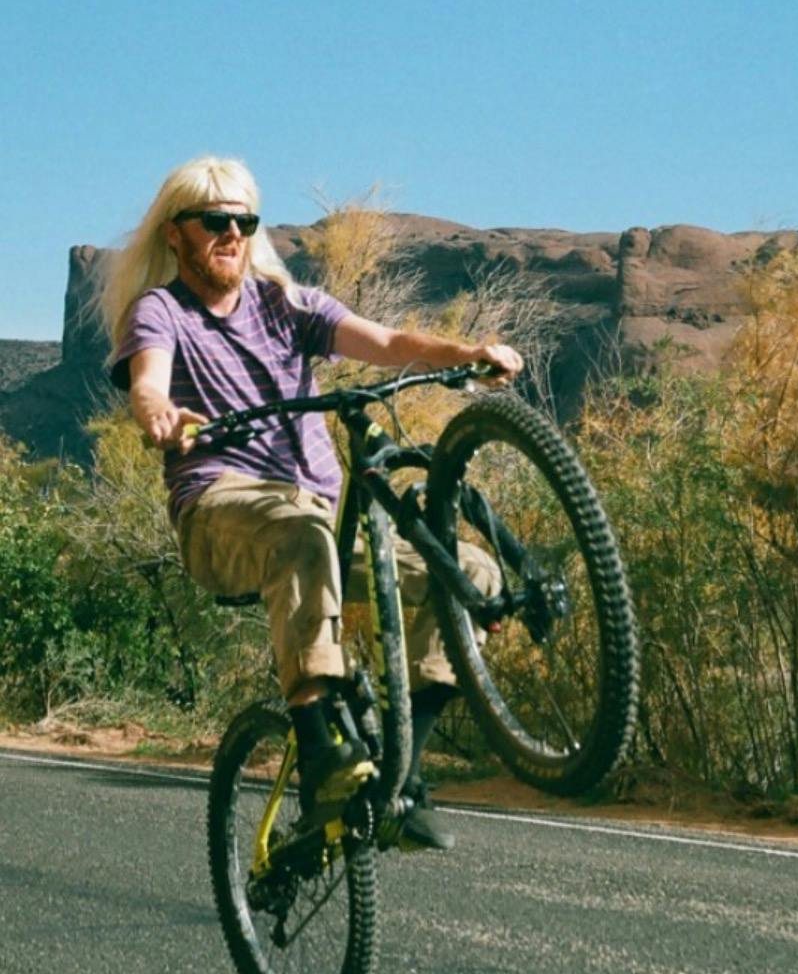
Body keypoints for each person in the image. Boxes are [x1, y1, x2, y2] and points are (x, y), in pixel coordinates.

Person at [99, 156, 523, 850]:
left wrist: (465, 353)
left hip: (315, 519)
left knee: (471, 573)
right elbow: (149, 381)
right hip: (222, 509)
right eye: (215, 222)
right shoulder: (160, 311)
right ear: (177, 235)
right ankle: (320, 745)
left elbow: (386, 343)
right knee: (300, 531)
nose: (231, 234)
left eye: (244, 222)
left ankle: (398, 782)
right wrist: (159, 414)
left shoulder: (285, 304)